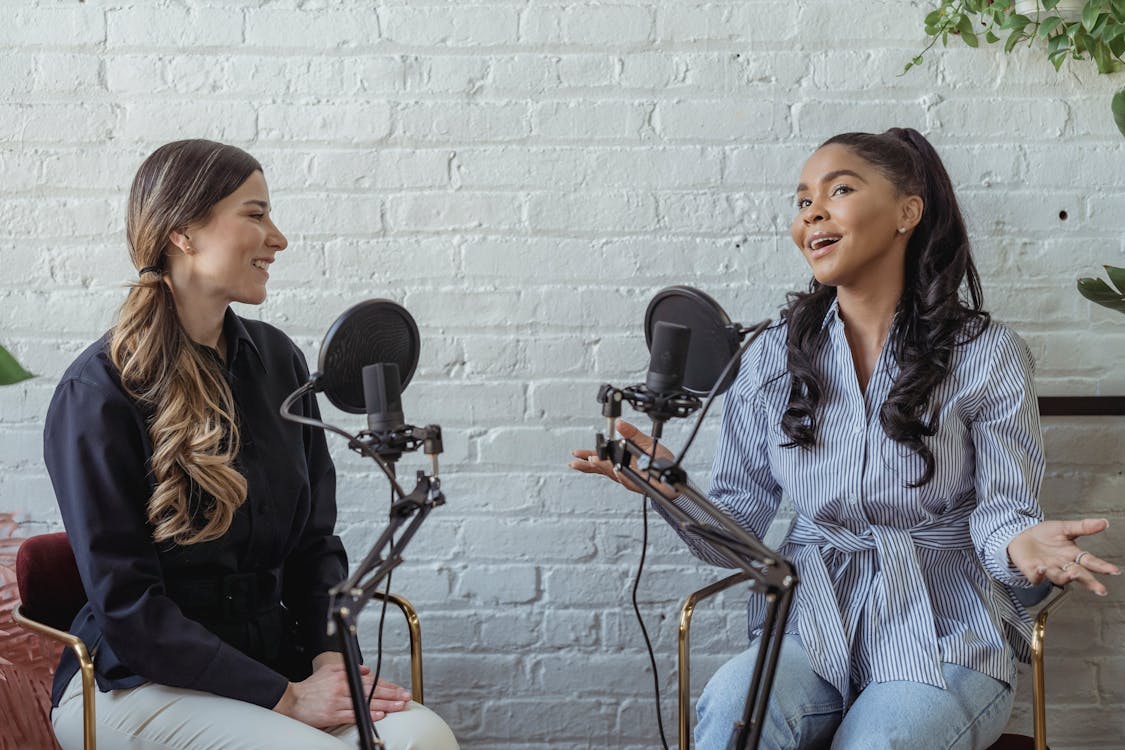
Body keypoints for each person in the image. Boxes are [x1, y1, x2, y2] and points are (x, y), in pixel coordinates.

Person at [570, 128, 1118, 749]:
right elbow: (740, 534)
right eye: (803, 201)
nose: (813, 213)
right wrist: (671, 488)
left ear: (907, 212)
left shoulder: (986, 354)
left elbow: (1001, 509)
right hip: (810, 622)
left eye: (840, 190)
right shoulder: (769, 355)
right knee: (728, 711)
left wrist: (1021, 541)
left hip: (944, 627)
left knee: (882, 740)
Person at [43, 139, 459, 750]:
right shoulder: (98, 392)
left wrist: (323, 658)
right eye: (256, 214)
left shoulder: (278, 363)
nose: (279, 238)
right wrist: (286, 698)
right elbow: (129, 608)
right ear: (183, 231)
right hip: (139, 686)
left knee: (424, 736)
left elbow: (314, 545)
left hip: (275, 664)